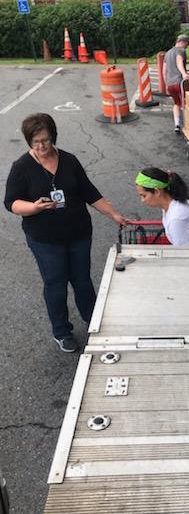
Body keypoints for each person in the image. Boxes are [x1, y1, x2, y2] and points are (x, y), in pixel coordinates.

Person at [4, 113, 128, 353]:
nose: (41, 146)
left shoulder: (69, 160)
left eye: (46, 140)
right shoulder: (21, 167)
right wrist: (34, 207)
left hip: (79, 233)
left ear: (54, 137)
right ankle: (62, 331)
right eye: (35, 141)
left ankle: (93, 321)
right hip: (45, 239)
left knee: (82, 280)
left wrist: (113, 214)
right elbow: (11, 203)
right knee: (55, 284)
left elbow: (89, 192)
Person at [135, 167, 189, 246]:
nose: (142, 200)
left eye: (144, 195)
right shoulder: (172, 203)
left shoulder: (177, 219)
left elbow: (183, 254)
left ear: (157, 191)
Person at [163, 34, 189, 133]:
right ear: (182, 42)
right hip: (180, 82)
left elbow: (164, 70)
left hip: (170, 83)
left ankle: (177, 125)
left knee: (176, 103)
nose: (186, 46)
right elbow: (179, 62)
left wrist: (166, 84)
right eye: (186, 44)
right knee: (187, 102)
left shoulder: (167, 53)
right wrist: (184, 74)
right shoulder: (181, 51)